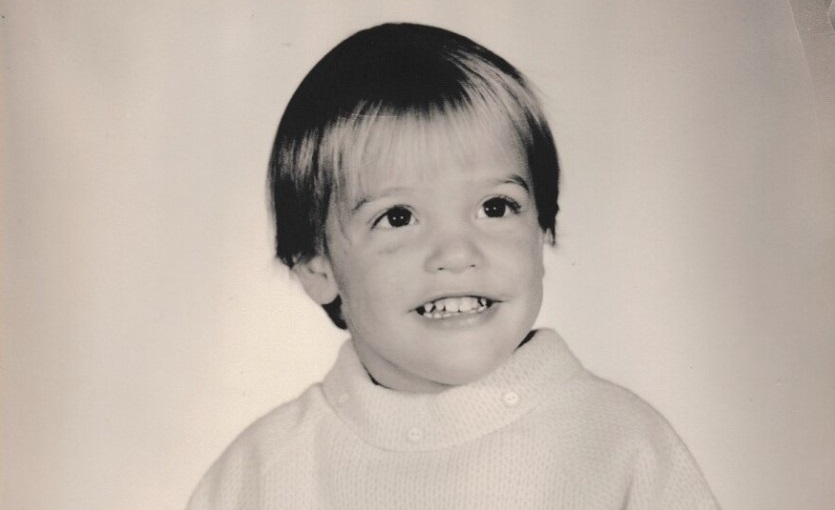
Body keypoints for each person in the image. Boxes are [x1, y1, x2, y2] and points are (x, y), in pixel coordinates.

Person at [187, 22, 718, 509]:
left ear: (542, 228)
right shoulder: (263, 475)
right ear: (315, 265)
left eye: (494, 207)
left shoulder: (621, 447)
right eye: (398, 217)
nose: (458, 253)